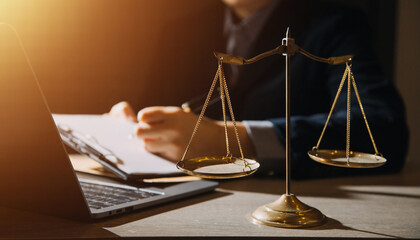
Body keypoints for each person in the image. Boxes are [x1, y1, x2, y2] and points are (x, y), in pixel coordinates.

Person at [109, 0, 408, 178]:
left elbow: (384, 131)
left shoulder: (335, 25)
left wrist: (239, 141)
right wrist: (131, 128)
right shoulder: (181, 31)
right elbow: (154, 118)